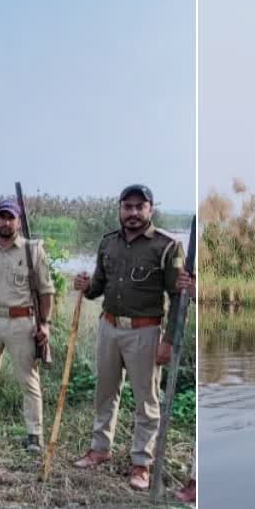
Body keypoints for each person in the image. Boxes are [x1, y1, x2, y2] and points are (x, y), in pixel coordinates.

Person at [72, 184, 192, 490]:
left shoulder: (166, 246)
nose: (133, 213)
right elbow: (98, 286)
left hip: (146, 332)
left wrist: (169, 341)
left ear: (150, 209)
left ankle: (141, 464)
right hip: (109, 327)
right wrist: (85, 286)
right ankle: (100, 450)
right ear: (120, 209)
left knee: (146, 401)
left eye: (140, 207)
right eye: (128, 207)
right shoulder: (108, 243)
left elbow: (179, 297)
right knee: (105, 392)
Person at [0, 199, 54, 451]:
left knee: (28, 379)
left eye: (11, 217)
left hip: (22, 322)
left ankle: (34, 435)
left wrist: (44, 324)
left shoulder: (32, 250)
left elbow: (47, 292)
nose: (6, 222)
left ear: (18, 221)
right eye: (2, 217)